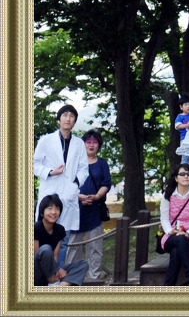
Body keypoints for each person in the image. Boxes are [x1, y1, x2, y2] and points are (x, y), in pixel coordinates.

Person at [33, 104, 89, 265]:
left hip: (68, 195)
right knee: (43, 237)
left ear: (74, 121)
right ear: (59, 119)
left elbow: (84, 169)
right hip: (50, 193)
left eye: (71, 116)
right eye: (65, 115)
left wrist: (75, 184)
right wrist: (51, 172)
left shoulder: (79, 144)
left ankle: (58, 277)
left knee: (63, 240)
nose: (68, 118)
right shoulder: (46, 140)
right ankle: (39, 276)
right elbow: (34, 165)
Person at [64, 129, 112, 282]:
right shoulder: (75, 162)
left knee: (95, 246)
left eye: (95, 142)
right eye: (88, 142)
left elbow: (107, 183)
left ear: (99, 145)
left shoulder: (102, 163)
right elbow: (66, 184)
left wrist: (97, 196)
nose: (91, 145)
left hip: (95, 210)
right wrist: (79, 197)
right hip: (75, 210)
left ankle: (94, 278)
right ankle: (71, 277)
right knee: (73, 246)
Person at [159, 164, 189, 286]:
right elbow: (164, 218)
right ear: (176, 178)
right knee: (178, 240)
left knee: (176, 252)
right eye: (182, 174)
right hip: (170, 237)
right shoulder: (168, 195)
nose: (186, 176)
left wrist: (188, 234)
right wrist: (169, 231)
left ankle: (167, 289)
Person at [34, 194, 89, 286]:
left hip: (52, 268)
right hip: (35, 270)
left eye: (57, 209)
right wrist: (56, 270)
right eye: (49, 209)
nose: (54, 212)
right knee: (46, 249)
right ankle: (52, 281)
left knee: (82, 264)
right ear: (42, 212)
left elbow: (55, 256)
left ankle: (61, 287)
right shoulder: (36, 228)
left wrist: (56, 270)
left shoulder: (60, 230)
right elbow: (35, 254)